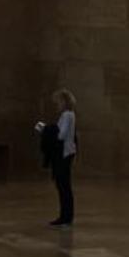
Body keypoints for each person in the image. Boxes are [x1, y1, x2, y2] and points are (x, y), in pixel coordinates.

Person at [48, 89, 77, 226]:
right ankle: (66, 216)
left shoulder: (66, 115)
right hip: (67, 152)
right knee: (64, 186)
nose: (57, 105)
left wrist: (48, 131)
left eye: (58, 102)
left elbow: (61, 134)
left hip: (64, 153)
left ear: (64, 101)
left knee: (63, 186)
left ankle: (66, 217)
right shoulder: (70, 114)